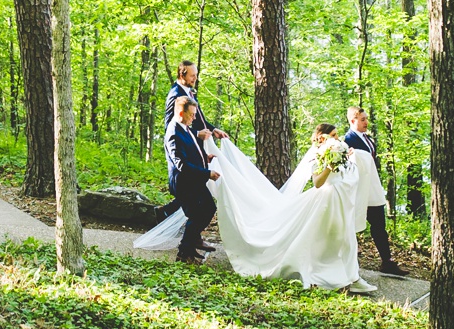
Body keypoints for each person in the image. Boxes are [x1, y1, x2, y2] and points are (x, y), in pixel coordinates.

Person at [213, 124, 376, 293]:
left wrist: (346, 159)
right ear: (322, 137)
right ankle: (333, 275)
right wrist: (330, 165)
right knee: (327, 240)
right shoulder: (317, 156)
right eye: (333, 135)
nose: (337, 138)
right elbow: (318, 183)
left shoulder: (341, 150)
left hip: (341, 201)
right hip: (325, 201)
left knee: (347, 238)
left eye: (336, 134)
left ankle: (352, 277)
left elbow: (347, 175)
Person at [158, 60, 226, 232]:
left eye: (196, 75)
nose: (195, 78)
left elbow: (199, 117)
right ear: (182, 75)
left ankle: (166, 214)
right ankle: (171, 220)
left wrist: (213, 129)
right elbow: (171, 128)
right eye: (192, 75)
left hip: (194, 146)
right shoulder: (175, 94)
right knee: (192, 190)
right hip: (184, 148)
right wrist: (196, 134)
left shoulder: (189, 91)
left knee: (194, 192)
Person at [343, 107, 405, 276]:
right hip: (358, 190)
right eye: (362, 119)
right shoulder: (347, 140)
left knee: (379, 225)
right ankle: (348, 262)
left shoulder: (368, 139)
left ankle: (387, 261)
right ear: (352, 121)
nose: (366, 122)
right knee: (353, 224)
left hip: (372, 188)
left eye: (366, 119)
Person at [164, 95, 219, 264]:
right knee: (196, 215)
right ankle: (184, 252)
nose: (195, 118)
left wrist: (205, 158)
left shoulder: (185, 127)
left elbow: (192, 150)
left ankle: (192, 240)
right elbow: (182, 164)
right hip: (183, 183)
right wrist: (206, 173)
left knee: (209, 208)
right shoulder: (173, 132)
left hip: (193, 181)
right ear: (181, 112)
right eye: (192, 114)